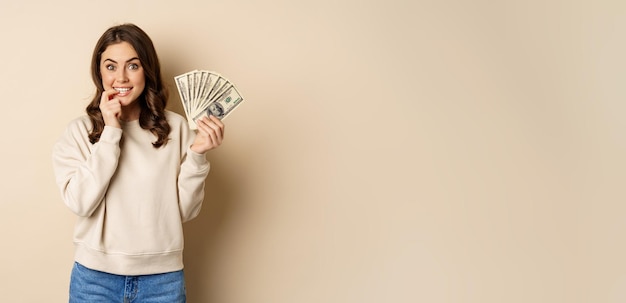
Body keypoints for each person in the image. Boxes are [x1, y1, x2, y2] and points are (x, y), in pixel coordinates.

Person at [52, 23, 225, 302]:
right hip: (95, 280)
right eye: (110, 66)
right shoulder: (78, 132)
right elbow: (81, 203)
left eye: (132, 66)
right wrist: (111, 133)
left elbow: (185, 211)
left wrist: (197, 155)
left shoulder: (176, 128)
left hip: (163, 281)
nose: (121, 77)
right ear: (99, 72)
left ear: (147, 70)